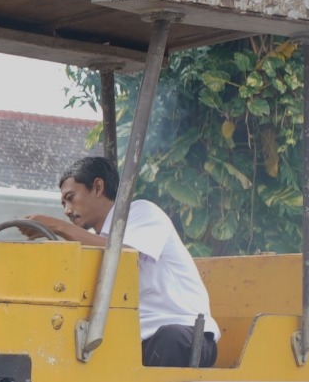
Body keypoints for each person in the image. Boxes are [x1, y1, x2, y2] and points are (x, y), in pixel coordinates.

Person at [28, 154, 217, 366]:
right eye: (63, 204)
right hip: (132, 343)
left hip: (181, 338)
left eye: (71, 198)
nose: (67, 211)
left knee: (168, 339)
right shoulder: (95, 243)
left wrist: (59, 227)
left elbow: (126, 256)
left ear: (98, 187)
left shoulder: (141, 213)